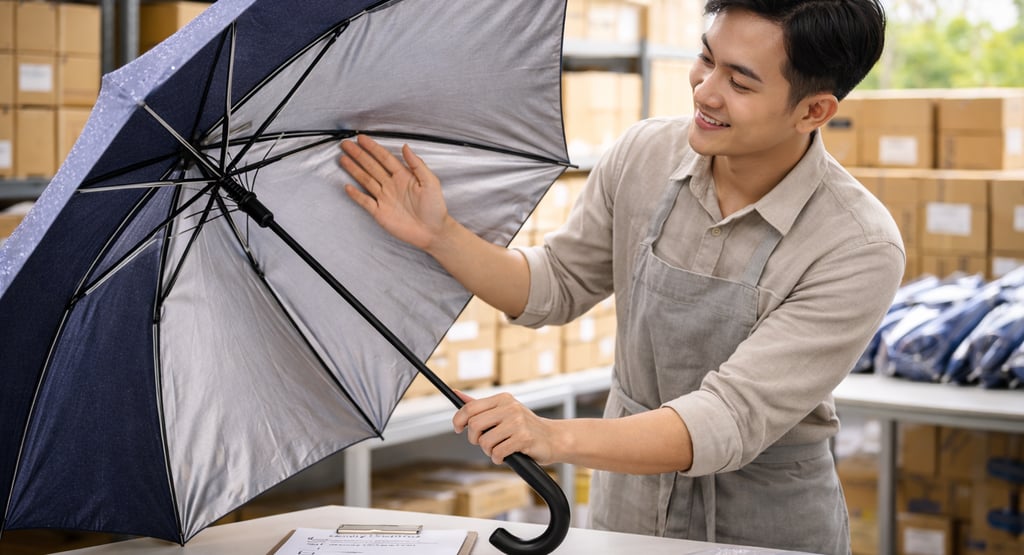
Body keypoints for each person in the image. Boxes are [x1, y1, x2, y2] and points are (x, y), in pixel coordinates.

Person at [337, 0, 901, 552]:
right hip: (626, 511)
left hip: (763, 526)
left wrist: (553, 436)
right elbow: (555, 285)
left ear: (813, 111)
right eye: (707, 58)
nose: (705, 91)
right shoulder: (644, 155)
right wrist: (441, 235)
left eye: (741, 82)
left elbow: (726, 418)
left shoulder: (857, 245)